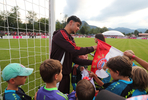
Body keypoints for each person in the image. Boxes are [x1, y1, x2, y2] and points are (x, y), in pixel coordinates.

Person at [50, 15, 97, 93]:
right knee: (56, 97)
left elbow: (75, 59)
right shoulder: (60, 34)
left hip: (65, 75)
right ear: (71, 22)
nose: (78, 28)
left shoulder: (70, 38)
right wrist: (94, 47)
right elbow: (75, 50)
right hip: (57, 74)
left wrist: (93, 62)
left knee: (65, 96)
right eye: (77, 25)